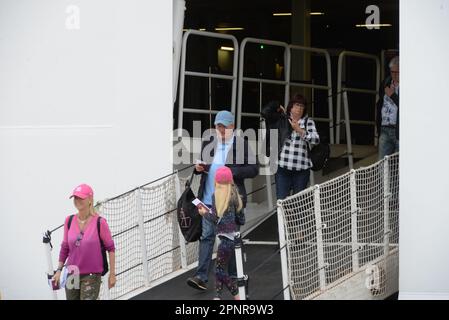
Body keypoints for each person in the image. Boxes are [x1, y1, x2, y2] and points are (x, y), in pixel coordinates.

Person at [186, 110, 258, 291]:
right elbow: (202, 166)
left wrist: (231, 172)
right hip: (208, 199)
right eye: (218, 127)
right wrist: (198, 168)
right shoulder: (209, 142)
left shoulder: (241, 144)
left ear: (232, 127)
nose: (220, 131)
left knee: (231, 240)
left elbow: (254, 169)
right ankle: (201, 277)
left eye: (223, 127)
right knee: (206, 237)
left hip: (230, 203)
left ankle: (234, 275)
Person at [52, 183, 116, 300]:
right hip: (72, 274)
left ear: (90, 199)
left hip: (91, 275)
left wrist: (112, 274)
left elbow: (111, 249)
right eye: (75, 197)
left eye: (81, 197)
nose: (77, 200)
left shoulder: (100, 222)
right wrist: (58, 270)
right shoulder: (69, 220)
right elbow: (65, 247)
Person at [262, 93, 320, 200]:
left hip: (302, 170)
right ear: (291, 106)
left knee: (298, 203)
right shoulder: (282, 119)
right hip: (283, 168)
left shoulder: (308, 122)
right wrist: (277, 105)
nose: (299, 108)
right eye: (297, 105)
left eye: (302, 106)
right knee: (282, 201)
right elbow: (265, 112)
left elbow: (316, 139)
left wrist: (300, 130)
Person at [197, 166, 243, 300]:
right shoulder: (235, 195)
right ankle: (217, 296)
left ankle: (236, 295)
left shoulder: (215, 196)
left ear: (216, 181)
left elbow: (215, 220)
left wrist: (204, 213)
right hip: (234, 237)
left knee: (219, 270)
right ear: (230, 180)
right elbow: (241, 219)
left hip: (225, 239)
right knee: (220, 267)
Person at [377, 55, 399, 160]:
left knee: (398, 166)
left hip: (398, 130)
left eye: (397, 72)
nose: (394, 75)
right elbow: (380, 104)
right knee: (381, 164)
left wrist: (393, 96)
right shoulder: (386, 83)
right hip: (385, 128)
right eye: (392, 72)